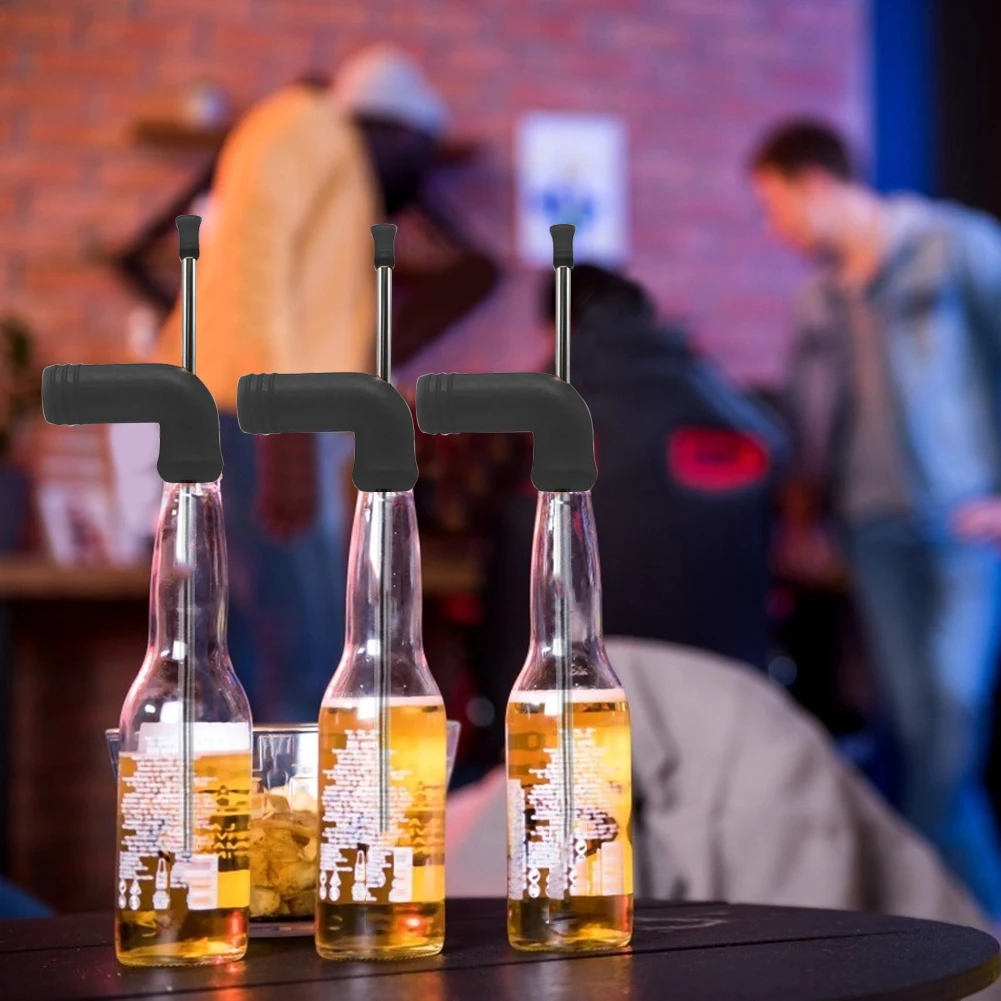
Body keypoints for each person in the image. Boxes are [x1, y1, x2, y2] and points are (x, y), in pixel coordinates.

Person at [748, 118, 1001, 916]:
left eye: (774, 205)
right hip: (870, 532)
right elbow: (808, 421)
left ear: (815, 185)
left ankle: (940, 910)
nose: (774, 228)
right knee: (909, 724)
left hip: (961, 529)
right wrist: (803, 518)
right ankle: (944, 923)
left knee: (947, 727)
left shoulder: (954, 248)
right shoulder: (818, 300)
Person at [155, 47, 449, 721]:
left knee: (264, 654)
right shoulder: (307, 125)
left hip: (261, 412)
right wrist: (280, 414)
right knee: (300, 653)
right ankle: (287, 792)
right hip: (259, 414)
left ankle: (260, 788)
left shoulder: (321, 148)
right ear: (394, 130)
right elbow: (255, 255)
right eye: (418, 152)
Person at [474, 265, 788, 764]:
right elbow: (777, 450)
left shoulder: (549, 395)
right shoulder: (696, 379)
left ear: (558, 326)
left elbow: (481, 495)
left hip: (565, 696)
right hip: (717, 687)